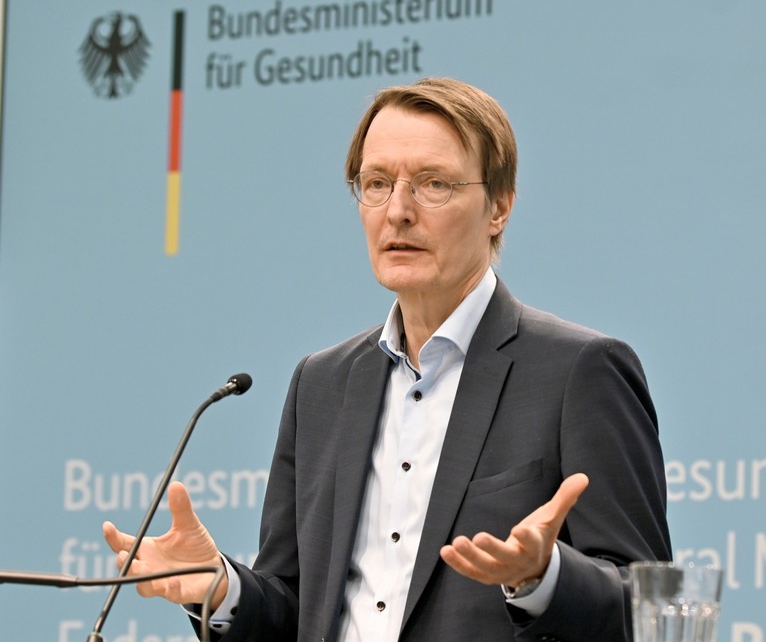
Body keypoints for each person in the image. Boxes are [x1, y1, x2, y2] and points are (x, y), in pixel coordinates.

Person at [103, 77, 672, 641]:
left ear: (499, 206)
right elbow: (296, 607)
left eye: (433, 184)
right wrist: (220, 589)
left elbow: (648, 605)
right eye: (376, 183)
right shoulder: (320, 384)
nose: (397, 211)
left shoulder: (579, 371)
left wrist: (543, 579)